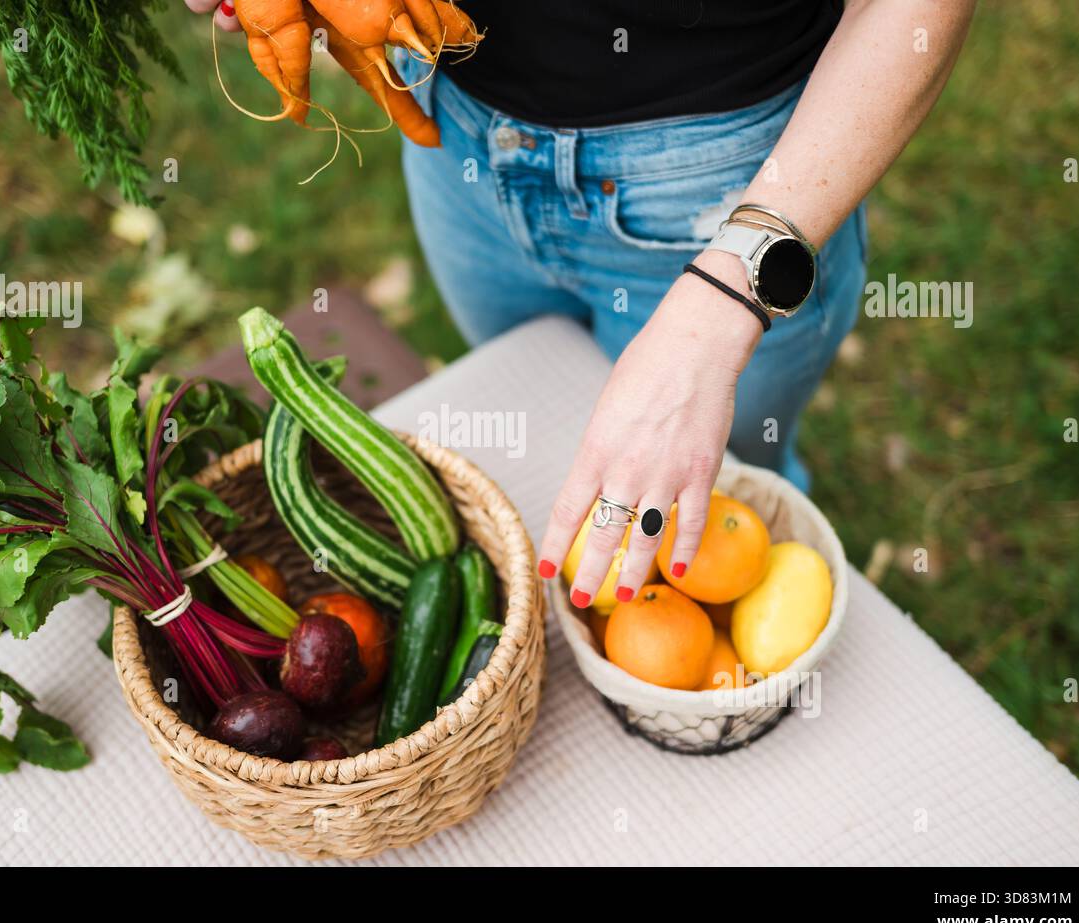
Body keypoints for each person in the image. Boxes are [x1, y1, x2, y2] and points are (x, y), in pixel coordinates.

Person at [188, 0, 975, 608]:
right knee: (543, 441)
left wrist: (725, 299)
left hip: (731, 185)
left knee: (730, 493)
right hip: (454, 131)